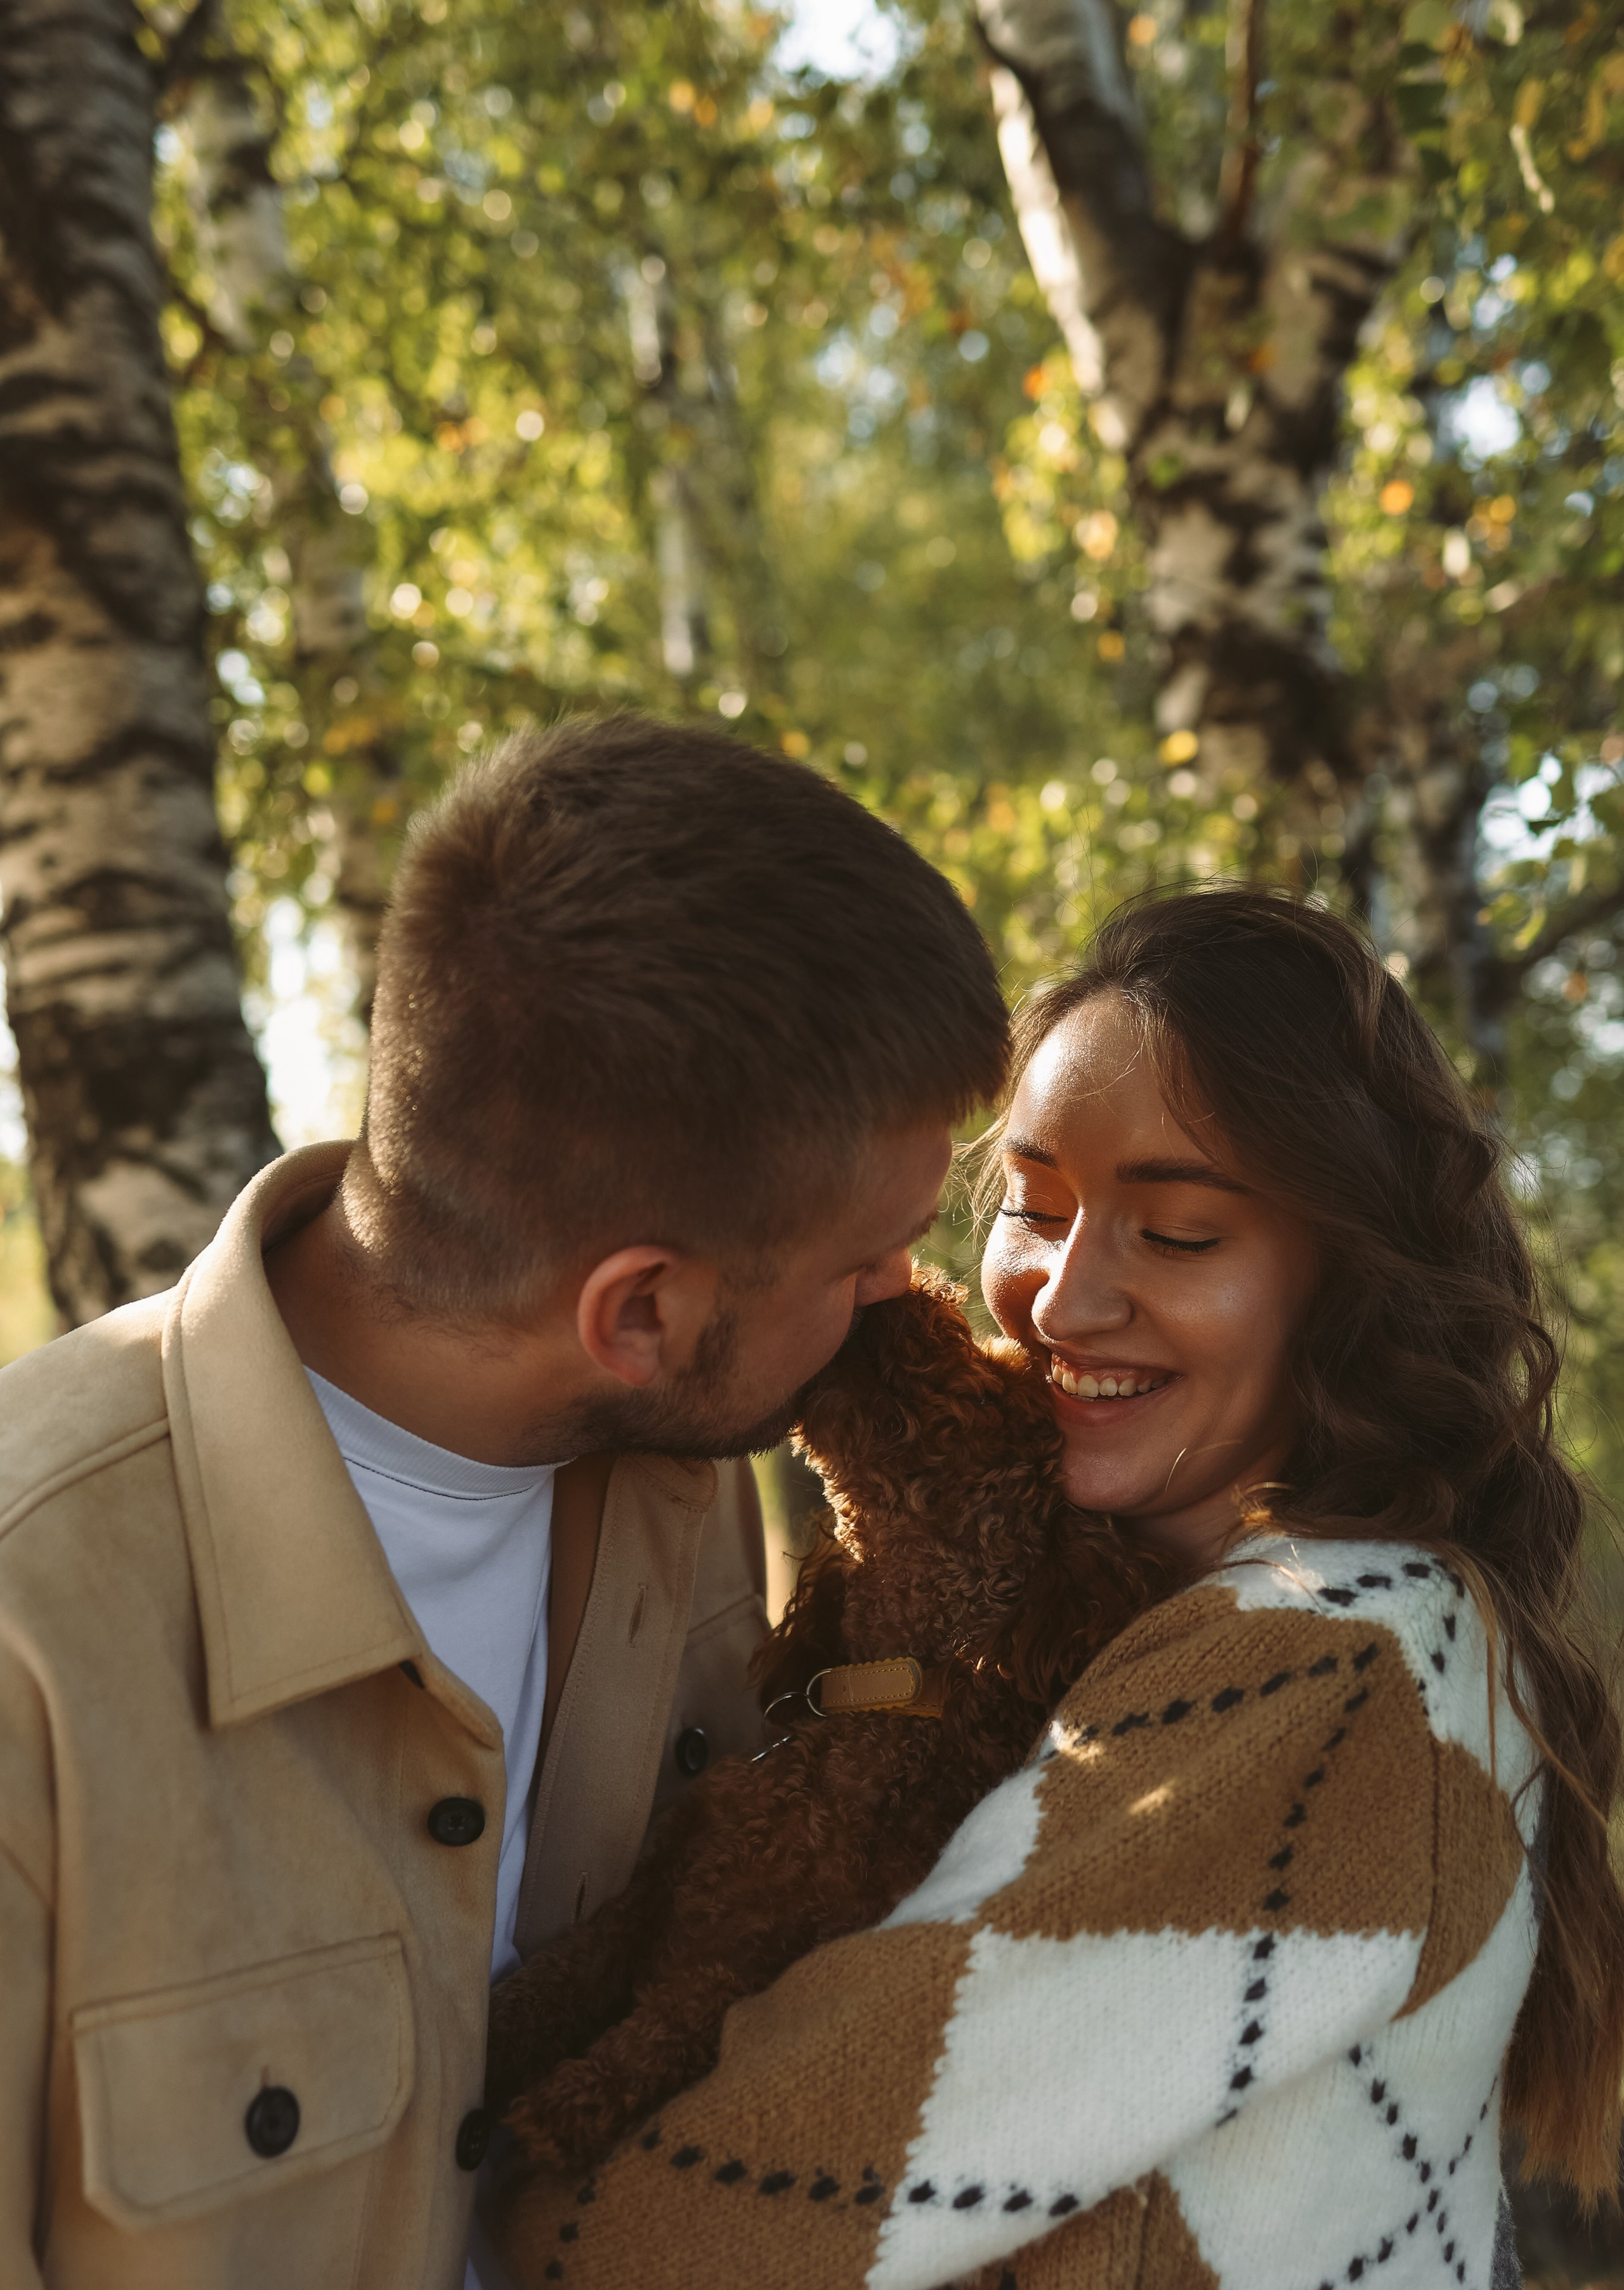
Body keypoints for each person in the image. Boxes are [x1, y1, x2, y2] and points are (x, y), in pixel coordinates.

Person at [0, 715, 1009, 2290]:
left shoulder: (690, 1492)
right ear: (640, 1314)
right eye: (858, 1260)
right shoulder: (31, 1633)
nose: (904, 1294)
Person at [495, 887, 1624, 2290]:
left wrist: (505, 2201)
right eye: (1033, 1207)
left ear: (1348, 1281)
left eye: (1177, 1236)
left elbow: (676, 2233)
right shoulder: (1214, 1630)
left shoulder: (1331, 1658)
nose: (1061, 1297)